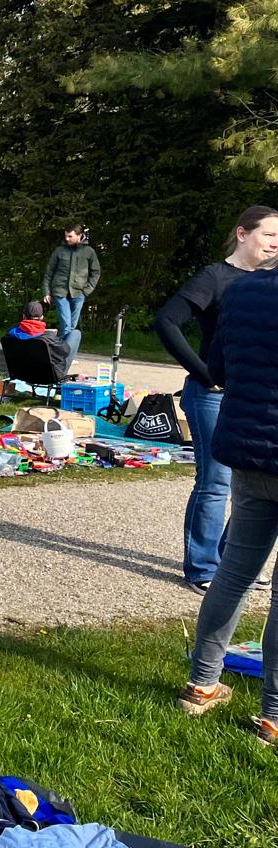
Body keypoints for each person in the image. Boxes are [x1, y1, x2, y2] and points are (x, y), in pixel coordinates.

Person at [177, 260, 278, 746]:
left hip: (250, 449)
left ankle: (202, 683)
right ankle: (273, 714)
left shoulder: (241, 291)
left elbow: (216, 369)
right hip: (256, 444)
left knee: (234, 571)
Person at [155, 205, 278, 590]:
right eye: (269, 234)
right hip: (211, 394)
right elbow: (167, 320)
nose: (275, 243)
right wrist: (203, 372)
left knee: (253, 485)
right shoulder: (215, 276)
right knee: (216, 482)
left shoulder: (270, 283)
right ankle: (204, 568)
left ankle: (234, 563)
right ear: (242, 234)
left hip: (253, 399)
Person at [40, 224, 100, 362]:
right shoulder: (59, 251)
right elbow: (49, 272)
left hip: (79, 293)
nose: (67, 238)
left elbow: (96, 272)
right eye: (66, 236)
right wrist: (47, 292)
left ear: (79, 236)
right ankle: (63, 356)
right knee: (66, 325)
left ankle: (65, 354)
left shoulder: (89, 251)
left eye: (70, 236)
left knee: (72, 326)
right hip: (60, 292)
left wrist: (87, 291)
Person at [2, 300, 71, 379]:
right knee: (75, 334)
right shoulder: (48, 338)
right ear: (42, 317)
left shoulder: (10, 335)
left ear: (24, 316)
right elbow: (66, 351)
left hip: (20, 375)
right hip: (47, 377)